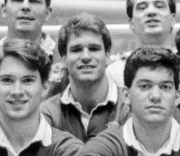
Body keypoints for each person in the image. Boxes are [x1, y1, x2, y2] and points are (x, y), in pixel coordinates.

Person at [41, 13, 128, 142]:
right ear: (64, 59)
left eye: (94, 49)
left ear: (108, 55)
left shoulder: (129, 109)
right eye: (76, 50)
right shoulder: (47, 114)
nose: (86, 57)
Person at [0, 0, 67, 96]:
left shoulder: (66, 64)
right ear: (4, 10)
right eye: (18, 0)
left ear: (48, 13)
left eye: (34, 1)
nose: (25, 6)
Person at [106, 0, 177, 85]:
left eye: (159, 6)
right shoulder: (115, 74)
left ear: (172, 20)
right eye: (142, 7)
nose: (151, 12)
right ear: (131, 23)